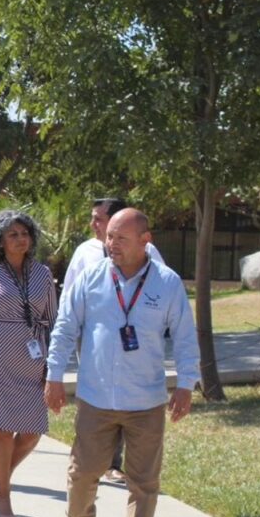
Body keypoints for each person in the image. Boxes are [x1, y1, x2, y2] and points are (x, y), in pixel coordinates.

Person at [45, 208, 199, 517]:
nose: (111, 244)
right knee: (83, 474)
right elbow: (65, 327)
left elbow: (183, 336)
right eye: (109, 237)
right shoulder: (92, 277)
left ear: (146, 240)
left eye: (120, 237)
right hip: (96, 396)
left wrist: (185, 384)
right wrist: (53, 375)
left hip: (145, 400)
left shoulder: (167, 283)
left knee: (144, 482)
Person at [62, 198, 165, 484]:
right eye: (93, 219)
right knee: (97, 397)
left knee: (128, 397)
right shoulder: (85, 252)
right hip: (95, 339)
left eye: (99, 218)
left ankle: (114, 463)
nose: (94, 224)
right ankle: (90, 457)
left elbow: (162, 288)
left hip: (137, 344)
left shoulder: (150, 252)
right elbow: (69, 295)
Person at [0, 211, 57, 517]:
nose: (20, 239)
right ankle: (3, 494)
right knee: (3, 428)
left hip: (32, 359)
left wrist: (52, 361)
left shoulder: (43, 274)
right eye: (12, 234)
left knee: (33, 431)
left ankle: (1, 476)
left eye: (24, 233)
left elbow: (51, 319)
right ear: (0, 241)